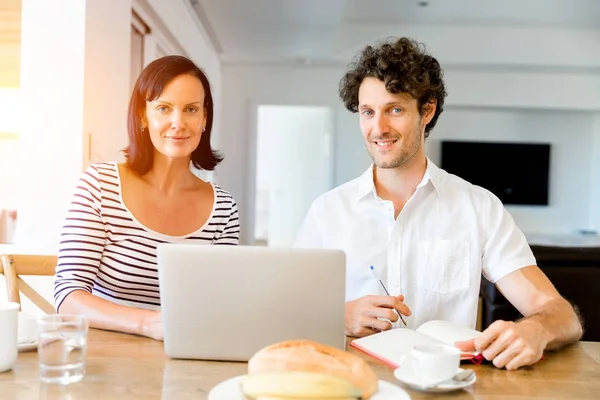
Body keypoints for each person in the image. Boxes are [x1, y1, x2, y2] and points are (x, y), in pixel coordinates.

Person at [294, 37, 582, 370]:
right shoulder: (327, 211)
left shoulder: (479, 208)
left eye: (395, 109)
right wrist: (336, 316)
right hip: (354, 384)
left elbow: (561, 315)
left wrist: (536, 329)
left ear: (427, 110)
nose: (378, 128)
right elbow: (289, 310)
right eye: (368, 112)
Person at [53, 55, 239, 340]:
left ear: (204, 119)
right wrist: (150, 324)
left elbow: (220, 304)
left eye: (191, 109)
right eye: (164, 108)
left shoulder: (224, 209)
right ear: (143, 115)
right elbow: (68, 296)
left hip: (185, 360)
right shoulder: (100, 185)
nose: (178, 123)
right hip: (105, 363)